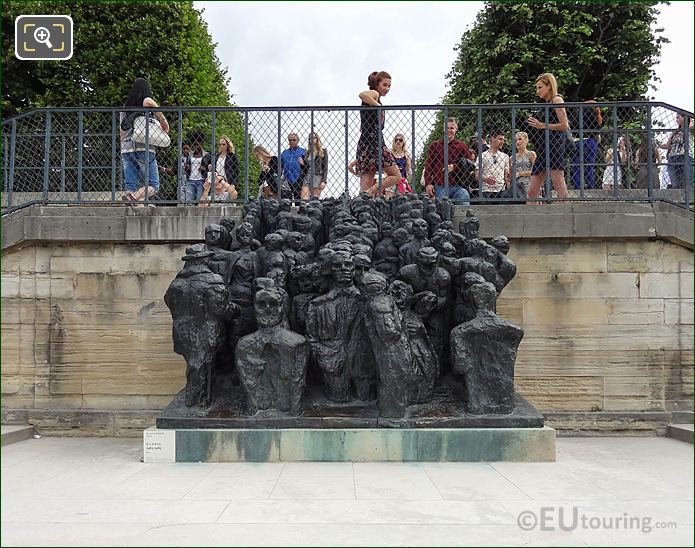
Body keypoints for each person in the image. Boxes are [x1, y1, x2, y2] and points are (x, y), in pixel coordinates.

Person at [119, 77, 169, 204]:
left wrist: (122, 147)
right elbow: (149, 102)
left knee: (130, 183)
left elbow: (122, 130)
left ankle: (131, 199)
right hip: (143, 146)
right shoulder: (145, 100)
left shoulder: (124, 108)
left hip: (126, 147)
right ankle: (134, 197)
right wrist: (163, 120)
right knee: (154, 185)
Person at [526, 73, 570, 202]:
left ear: (549, 86)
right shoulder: (547, 103)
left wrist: (542, 125)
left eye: (540, 87)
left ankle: (567, 217)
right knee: (532, 190)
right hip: (544, 147)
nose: (537, 91)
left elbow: (564, 125)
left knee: (559, 185)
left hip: (555, 147)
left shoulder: (557, 100)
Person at [356, 71, 401, 196]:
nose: (387, 88)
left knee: (366, 181)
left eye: (389, 86)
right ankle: (368, 193)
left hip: (367, 142)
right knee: (396, 175)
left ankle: (365, 196)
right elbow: (362, 94)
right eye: (384, 85)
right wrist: (378, 107)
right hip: (374, 143)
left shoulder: (376, 97)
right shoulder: (374, 94)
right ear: (377, 84)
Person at [424, 117, 473, 205]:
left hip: (458, 185)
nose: (449, 130)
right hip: (440, 185)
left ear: (456, 130)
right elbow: (428, 166)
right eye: (447, 128)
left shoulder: (462, 146)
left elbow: (469, 165)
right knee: (442, 208)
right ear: (443, 129)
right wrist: (428, 184)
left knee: (464, 199)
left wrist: (455, 167)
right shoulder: (435, 145)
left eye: (452, 128)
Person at [571, 100, 603, 189]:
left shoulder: (578, 114)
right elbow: (597, 127)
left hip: (577, 141)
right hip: (590, 141)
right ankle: (590, 187)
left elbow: (572, 125)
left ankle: (577, 187)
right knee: (589, 166)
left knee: (577, 166)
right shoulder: (594, 114)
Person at [659, 112, 694, 189]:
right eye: (676, 118)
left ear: (684, 118)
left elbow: (692, 126)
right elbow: (667, 145)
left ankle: (689, 199)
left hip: (685, 156)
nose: (676, 120)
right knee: (675, 182)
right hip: (673, 156)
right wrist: (658, 144)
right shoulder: (675, 131)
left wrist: (690, 119)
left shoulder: (690, 129)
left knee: (687, 181)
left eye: (678, 117)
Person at [475, 129, 510, 202]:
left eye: (503, 139)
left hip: (501, 190)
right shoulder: (482, 156)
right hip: (486, 190)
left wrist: (509, 188)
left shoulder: (505, 156)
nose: (502, 141)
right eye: (500, 139)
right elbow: (477, 175)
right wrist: (485, 179)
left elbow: (506, 176)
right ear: (492, 139)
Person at [300, 132, 328, 200]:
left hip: (317, 176)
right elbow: (305, 168)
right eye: (309, 139)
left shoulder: (323, 152)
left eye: (313, 138)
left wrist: (323, 181)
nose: (311, 140)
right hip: (307, 176)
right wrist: (302, 164)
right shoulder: (307, 153)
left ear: (317, 139)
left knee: (314, 201)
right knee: (304, 200)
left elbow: (325, 168)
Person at [280, 133, 306, 201]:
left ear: (298, 141)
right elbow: (280, 166)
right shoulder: (284, 153)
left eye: (294, 140)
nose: (292, 141)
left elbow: (307, 167)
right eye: (290, 140)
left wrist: (303, 164)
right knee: (285, 201)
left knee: (299, 201)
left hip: (299, 179)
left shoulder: (303, 152)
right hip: (286, 179)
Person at [184, 136, 208, 204]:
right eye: (194, 145)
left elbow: (210, 169)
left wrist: (204, 169)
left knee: (199, 201)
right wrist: (187, 168)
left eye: (197, 145)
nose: (196, 147)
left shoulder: (206, 155)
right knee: (189, 201)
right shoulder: (190, 155)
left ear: (201, 144)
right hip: (190, 180)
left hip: (200, 180)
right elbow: (186, 167)